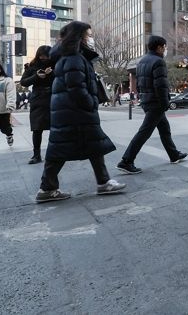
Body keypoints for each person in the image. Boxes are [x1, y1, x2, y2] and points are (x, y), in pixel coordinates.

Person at [36, 21, 125, 203]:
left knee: (93, 145)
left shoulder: (70, 57)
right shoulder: (74, 59)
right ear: (78, 37)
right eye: (88, 35)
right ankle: (47, 188)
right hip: (75, 112)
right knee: (61, 150)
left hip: (71, 112)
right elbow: (76, 88)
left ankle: (103, 182)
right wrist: (91, 102)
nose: (90, 39)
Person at [117, 36, 187, 174]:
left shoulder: (142, 61)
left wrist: (141, 98)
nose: (165, 50)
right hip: (156, 103)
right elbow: (160, 85)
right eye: (165, 47)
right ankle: (126, 161)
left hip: (147, 101)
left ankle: (174, 155)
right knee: (144, 132)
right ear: (159, 47)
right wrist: (165, 103)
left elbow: (138, 84)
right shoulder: (158, 61)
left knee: (164, 129)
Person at [20, 45, 54, 164]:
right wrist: (36, 76)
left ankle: (55, 153)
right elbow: (23, 82)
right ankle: (36, 155)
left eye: (46, 56)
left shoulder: (56, 64)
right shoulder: (32, 66)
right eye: (41, 56)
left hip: (53, 98)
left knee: (55, 127)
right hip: (38, 99)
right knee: (37, 128)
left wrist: (52, 73)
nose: (43, 58)